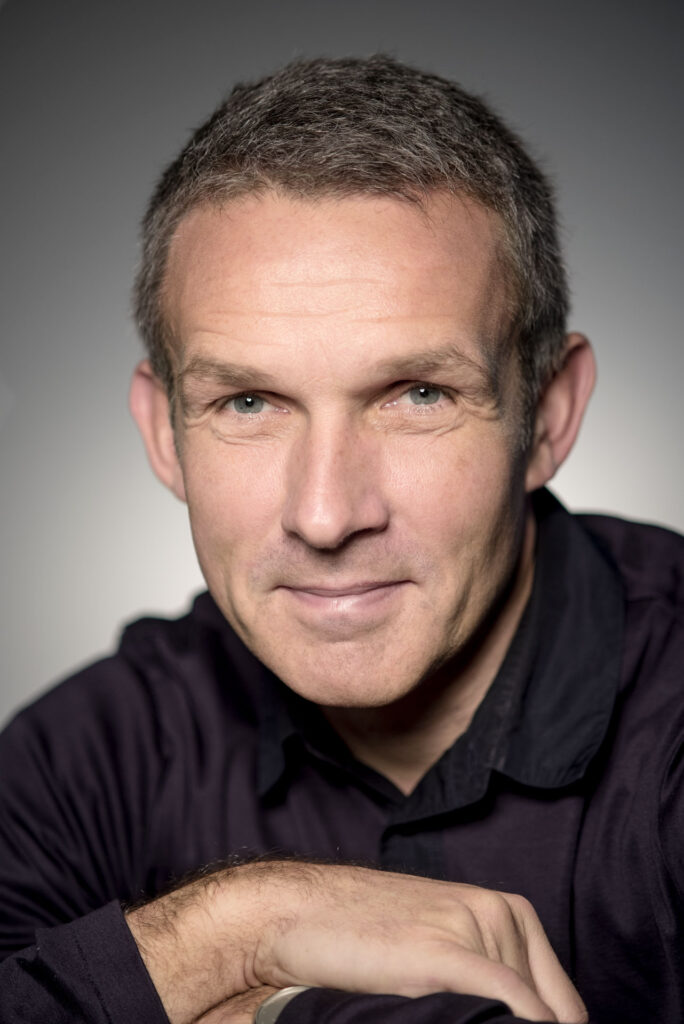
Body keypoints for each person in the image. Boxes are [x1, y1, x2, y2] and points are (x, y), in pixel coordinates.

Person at [0, 54, 682, 1024]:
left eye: (418, 394)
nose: (325, 515)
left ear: (548, 416)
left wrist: (236, 1009)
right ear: (164, 433)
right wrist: (241, 926)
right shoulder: (86, 758)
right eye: (248, 401)